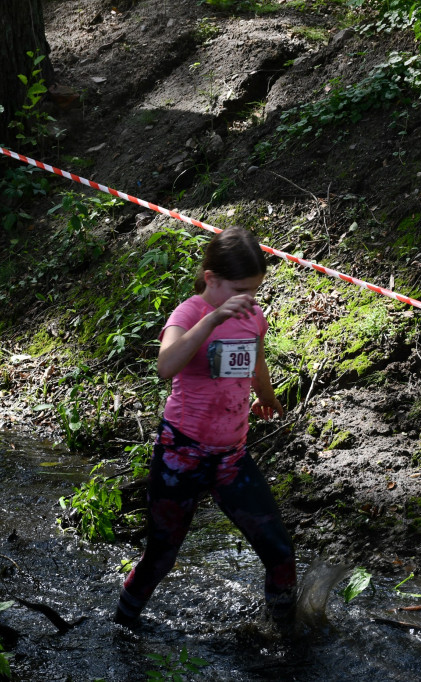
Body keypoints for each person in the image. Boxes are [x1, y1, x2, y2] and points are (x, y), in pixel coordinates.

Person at [115, 226, 297, 626]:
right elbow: (166, 365)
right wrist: (213, 319)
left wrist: (265, 395)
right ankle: (123, 627)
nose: (246, 299)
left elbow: (256, 357)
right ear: (211, 279)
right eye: (238, 290)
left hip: (231, 459)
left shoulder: (251, 314)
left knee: (280, 553)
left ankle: (285, 640)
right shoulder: (189, 313)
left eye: (254, 290)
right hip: (181, 455)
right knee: (160, 557)